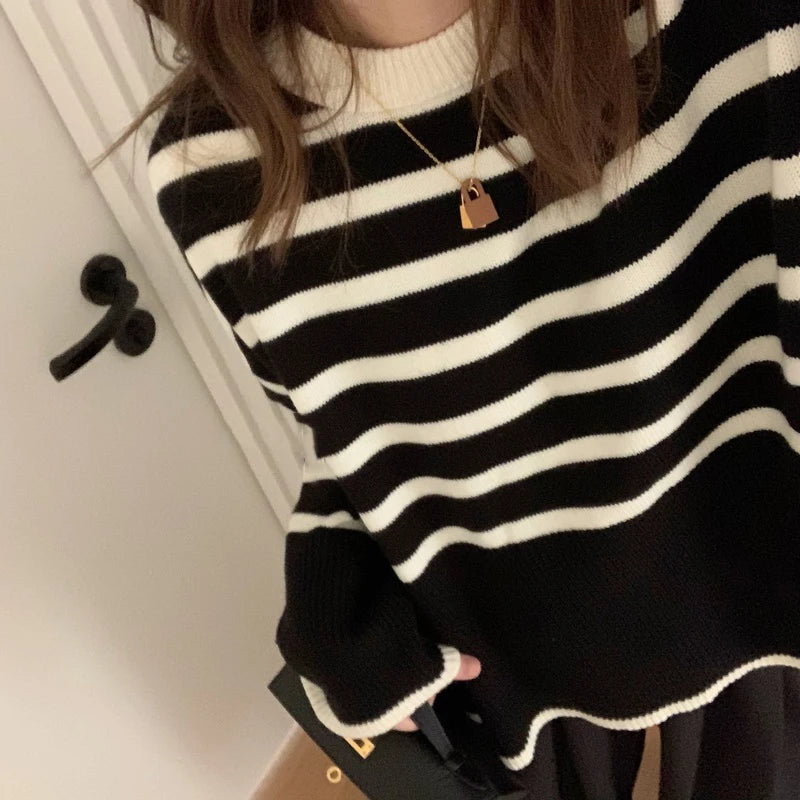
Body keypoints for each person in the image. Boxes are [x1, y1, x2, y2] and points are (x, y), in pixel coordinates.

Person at [104, 0, 800, 796]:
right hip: (511, 661)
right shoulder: (212, 171)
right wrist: (337, 595)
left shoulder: (726, 21)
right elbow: (347, 433)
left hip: (753, 589)